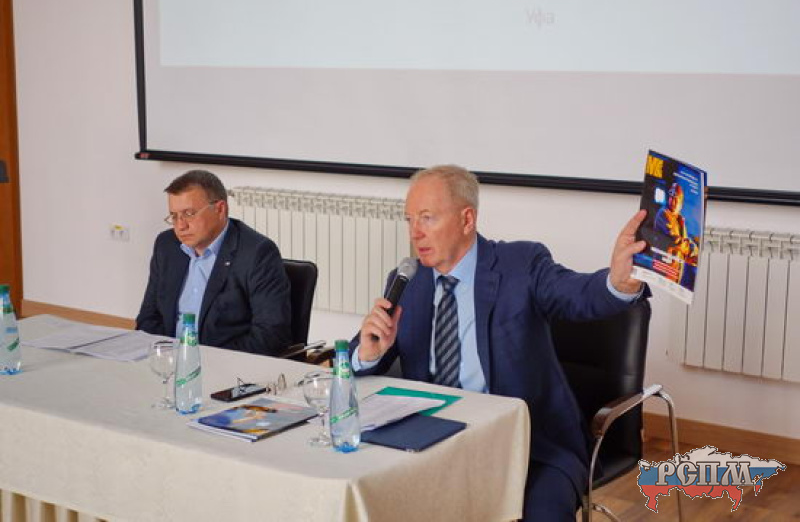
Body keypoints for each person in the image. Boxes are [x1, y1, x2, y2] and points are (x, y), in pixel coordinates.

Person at [350, 165, 648, 521]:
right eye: (410, 220)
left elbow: (577, 295)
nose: (415, 233)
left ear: (467, 219)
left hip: (528, 445)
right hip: (431, 443)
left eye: (427, 218)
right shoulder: (408, 282)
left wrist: (617, 283)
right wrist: (367, 354)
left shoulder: (521, 265)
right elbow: (358, 356)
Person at [136, 170, 292, 356]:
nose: (180, 226)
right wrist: (167, 355)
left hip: (225, 364)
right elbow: (148, 318)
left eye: (189, 213)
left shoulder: (257, 253)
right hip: (170, 360)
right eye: (174, 216)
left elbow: (270, 335)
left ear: (220, 209)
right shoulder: (166, 245)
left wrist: (205, 359)